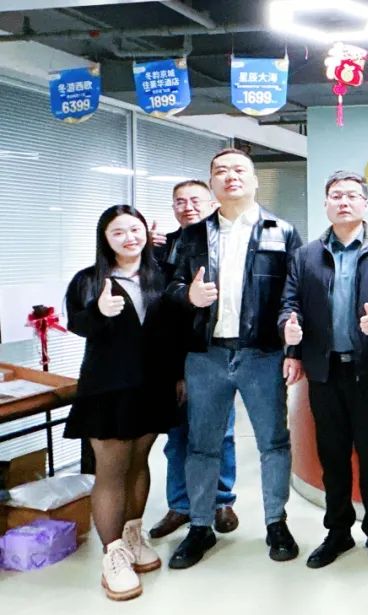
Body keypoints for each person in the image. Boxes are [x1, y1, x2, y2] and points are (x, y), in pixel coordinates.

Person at [165, 148, 302, 569]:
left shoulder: (282, 231)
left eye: (239, 169)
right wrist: (188, 296)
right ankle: (200, 526)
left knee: (273, 443)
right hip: (206, 356)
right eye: (221, 171)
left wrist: (292, 348)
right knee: (202, 445)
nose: (230, 177)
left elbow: (294, 295)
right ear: (212, 183)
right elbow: (169, 289)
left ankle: (276, 523)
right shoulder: (190, 236)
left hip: (262, 354)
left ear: (255, 180)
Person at [278, 171, 368, 569]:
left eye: (352, 195)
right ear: (326, 204)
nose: (344, 202)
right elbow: (290, 303)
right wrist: (289, 330)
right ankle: (338, 532)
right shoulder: (306, 255)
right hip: (324, 371)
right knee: (332, 456)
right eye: (336, 195)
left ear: (365, 204)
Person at [63, 205, 179, 600]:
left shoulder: (161, 276)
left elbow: (175, 330)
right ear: (105, 239)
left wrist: (179, 375)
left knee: (139, 463)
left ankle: (132, 535)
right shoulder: (89, 280)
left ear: (147, 232)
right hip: (107, 388)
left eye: (135, 229)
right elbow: (77, 324)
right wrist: (98, 311)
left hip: (153, 386)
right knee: (111, 470)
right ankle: (112, 555)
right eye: (118, 232)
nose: (129, 237)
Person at [149, 180, 239, 539]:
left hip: (216, 355)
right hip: (174, 357)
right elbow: (156, 308)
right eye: (180, 201)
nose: (187, 207)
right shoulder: (162, 249)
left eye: (195, 200)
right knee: (178, 438)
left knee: (222, 434)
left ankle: (221, 501)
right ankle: (181, 505)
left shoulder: (229, 243)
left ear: (213, 204)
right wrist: (146, 253)